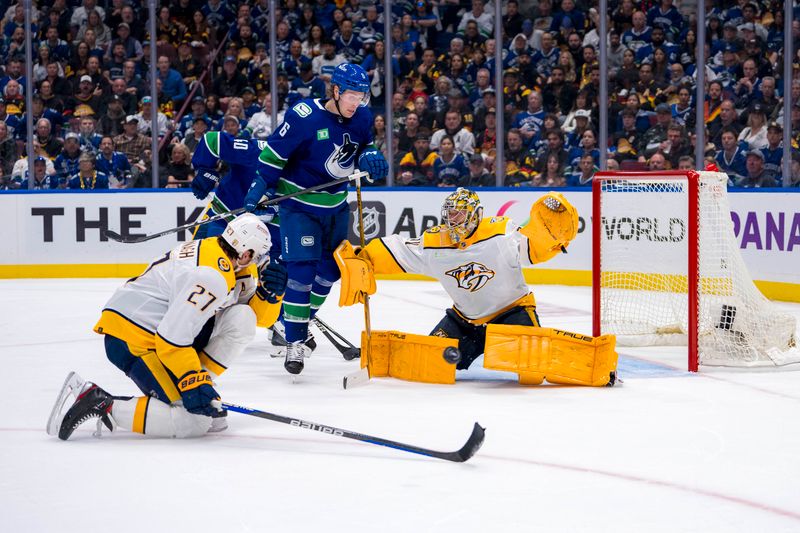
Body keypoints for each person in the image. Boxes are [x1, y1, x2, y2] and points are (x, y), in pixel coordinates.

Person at [48, 214, 289, 441]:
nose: (260, 261)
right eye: (259, 255)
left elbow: (257, 320)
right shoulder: (210, 275)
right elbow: (171, 338)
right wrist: (192, 380)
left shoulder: (229, 259)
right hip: (133, 337)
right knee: (194, 423)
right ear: (246, 252)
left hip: (161, 334)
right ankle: (100, 402)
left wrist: (270, 296)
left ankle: (192, 389)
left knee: (242, 317)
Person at [338, 188, 582, 374]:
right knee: (433, 362)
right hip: (465, 321)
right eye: (450, 214)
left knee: (531, 372)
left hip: (512, 313)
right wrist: (365, 256)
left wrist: (552, 226)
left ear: (475, 215)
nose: (453, 220)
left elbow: (535, 244)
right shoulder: (435, 243)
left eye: (459, 214)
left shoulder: (501, 234)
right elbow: (401, 250)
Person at [244, 63, 388, 375]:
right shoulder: (303, 117)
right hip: (299, 207)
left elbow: (364, 146)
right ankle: (294, 341)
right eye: (351, 95)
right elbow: (274, 156)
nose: (356, 102)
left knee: (331, 271)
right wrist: (258, 187)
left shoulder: (362, 116)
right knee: (302, 273)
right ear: (335, 91)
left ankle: (292, 322)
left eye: (361, 96)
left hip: (336, 206)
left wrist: (370, 157)